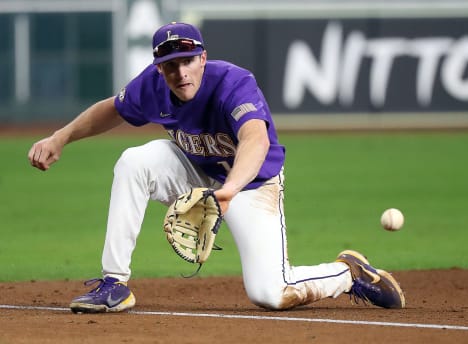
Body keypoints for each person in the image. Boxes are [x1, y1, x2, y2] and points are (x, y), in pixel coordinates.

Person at [28, 22, 405, 313]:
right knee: (133, 162)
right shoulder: (153, 86)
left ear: (203, 59)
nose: (180, 73)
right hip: (193, 168)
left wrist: (229, 190)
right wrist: (59, 137)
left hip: (252, 183)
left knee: (271, 293)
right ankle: (114, 282)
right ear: (159, 69)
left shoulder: (233, 83)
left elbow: (256, 140)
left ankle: (347, 272)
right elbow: (112, 108)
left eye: (188, 61)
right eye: (169, 65)